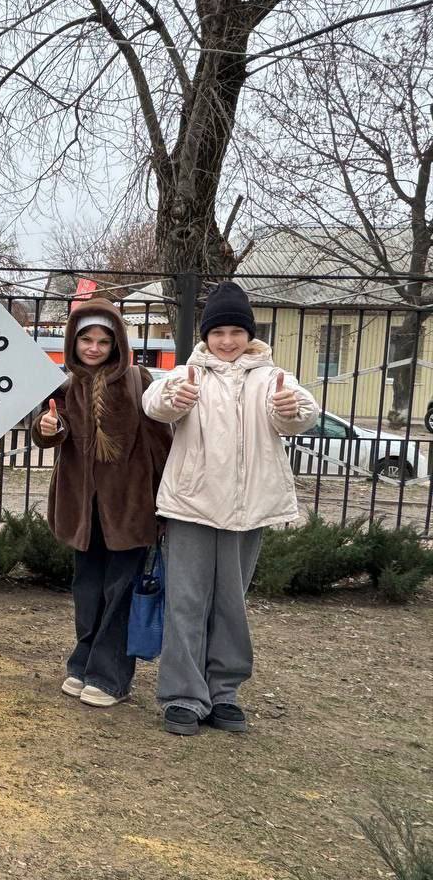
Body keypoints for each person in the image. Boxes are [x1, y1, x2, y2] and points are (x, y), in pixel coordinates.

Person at [143, 281, 318, 736]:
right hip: (191, 506)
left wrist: (290, 408)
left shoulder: (273, 377)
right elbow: (155, 404)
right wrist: (173, 399)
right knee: (185, 602)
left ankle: (224, 693)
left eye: (235, 332)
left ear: (249, 334)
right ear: (205, 335)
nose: (226, 341)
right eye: (217, 332)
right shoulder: (189, 373)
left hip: (247, 510)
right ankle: (183, 696)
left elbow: (300, 413)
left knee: (230, 604)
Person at [31, 300, 172, 708]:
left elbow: (161, 443)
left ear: (117, 344)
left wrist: (163, 503)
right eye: (86, 340)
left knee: (121, 591)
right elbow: (49, 430)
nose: (94, 348)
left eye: (103, 341)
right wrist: (48, 427)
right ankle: (83, 664)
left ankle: (110, 677)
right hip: (82, 508)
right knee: (88, 590)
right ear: (73, 342)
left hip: (130, 507)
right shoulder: (64, 386)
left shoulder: (138, 380)